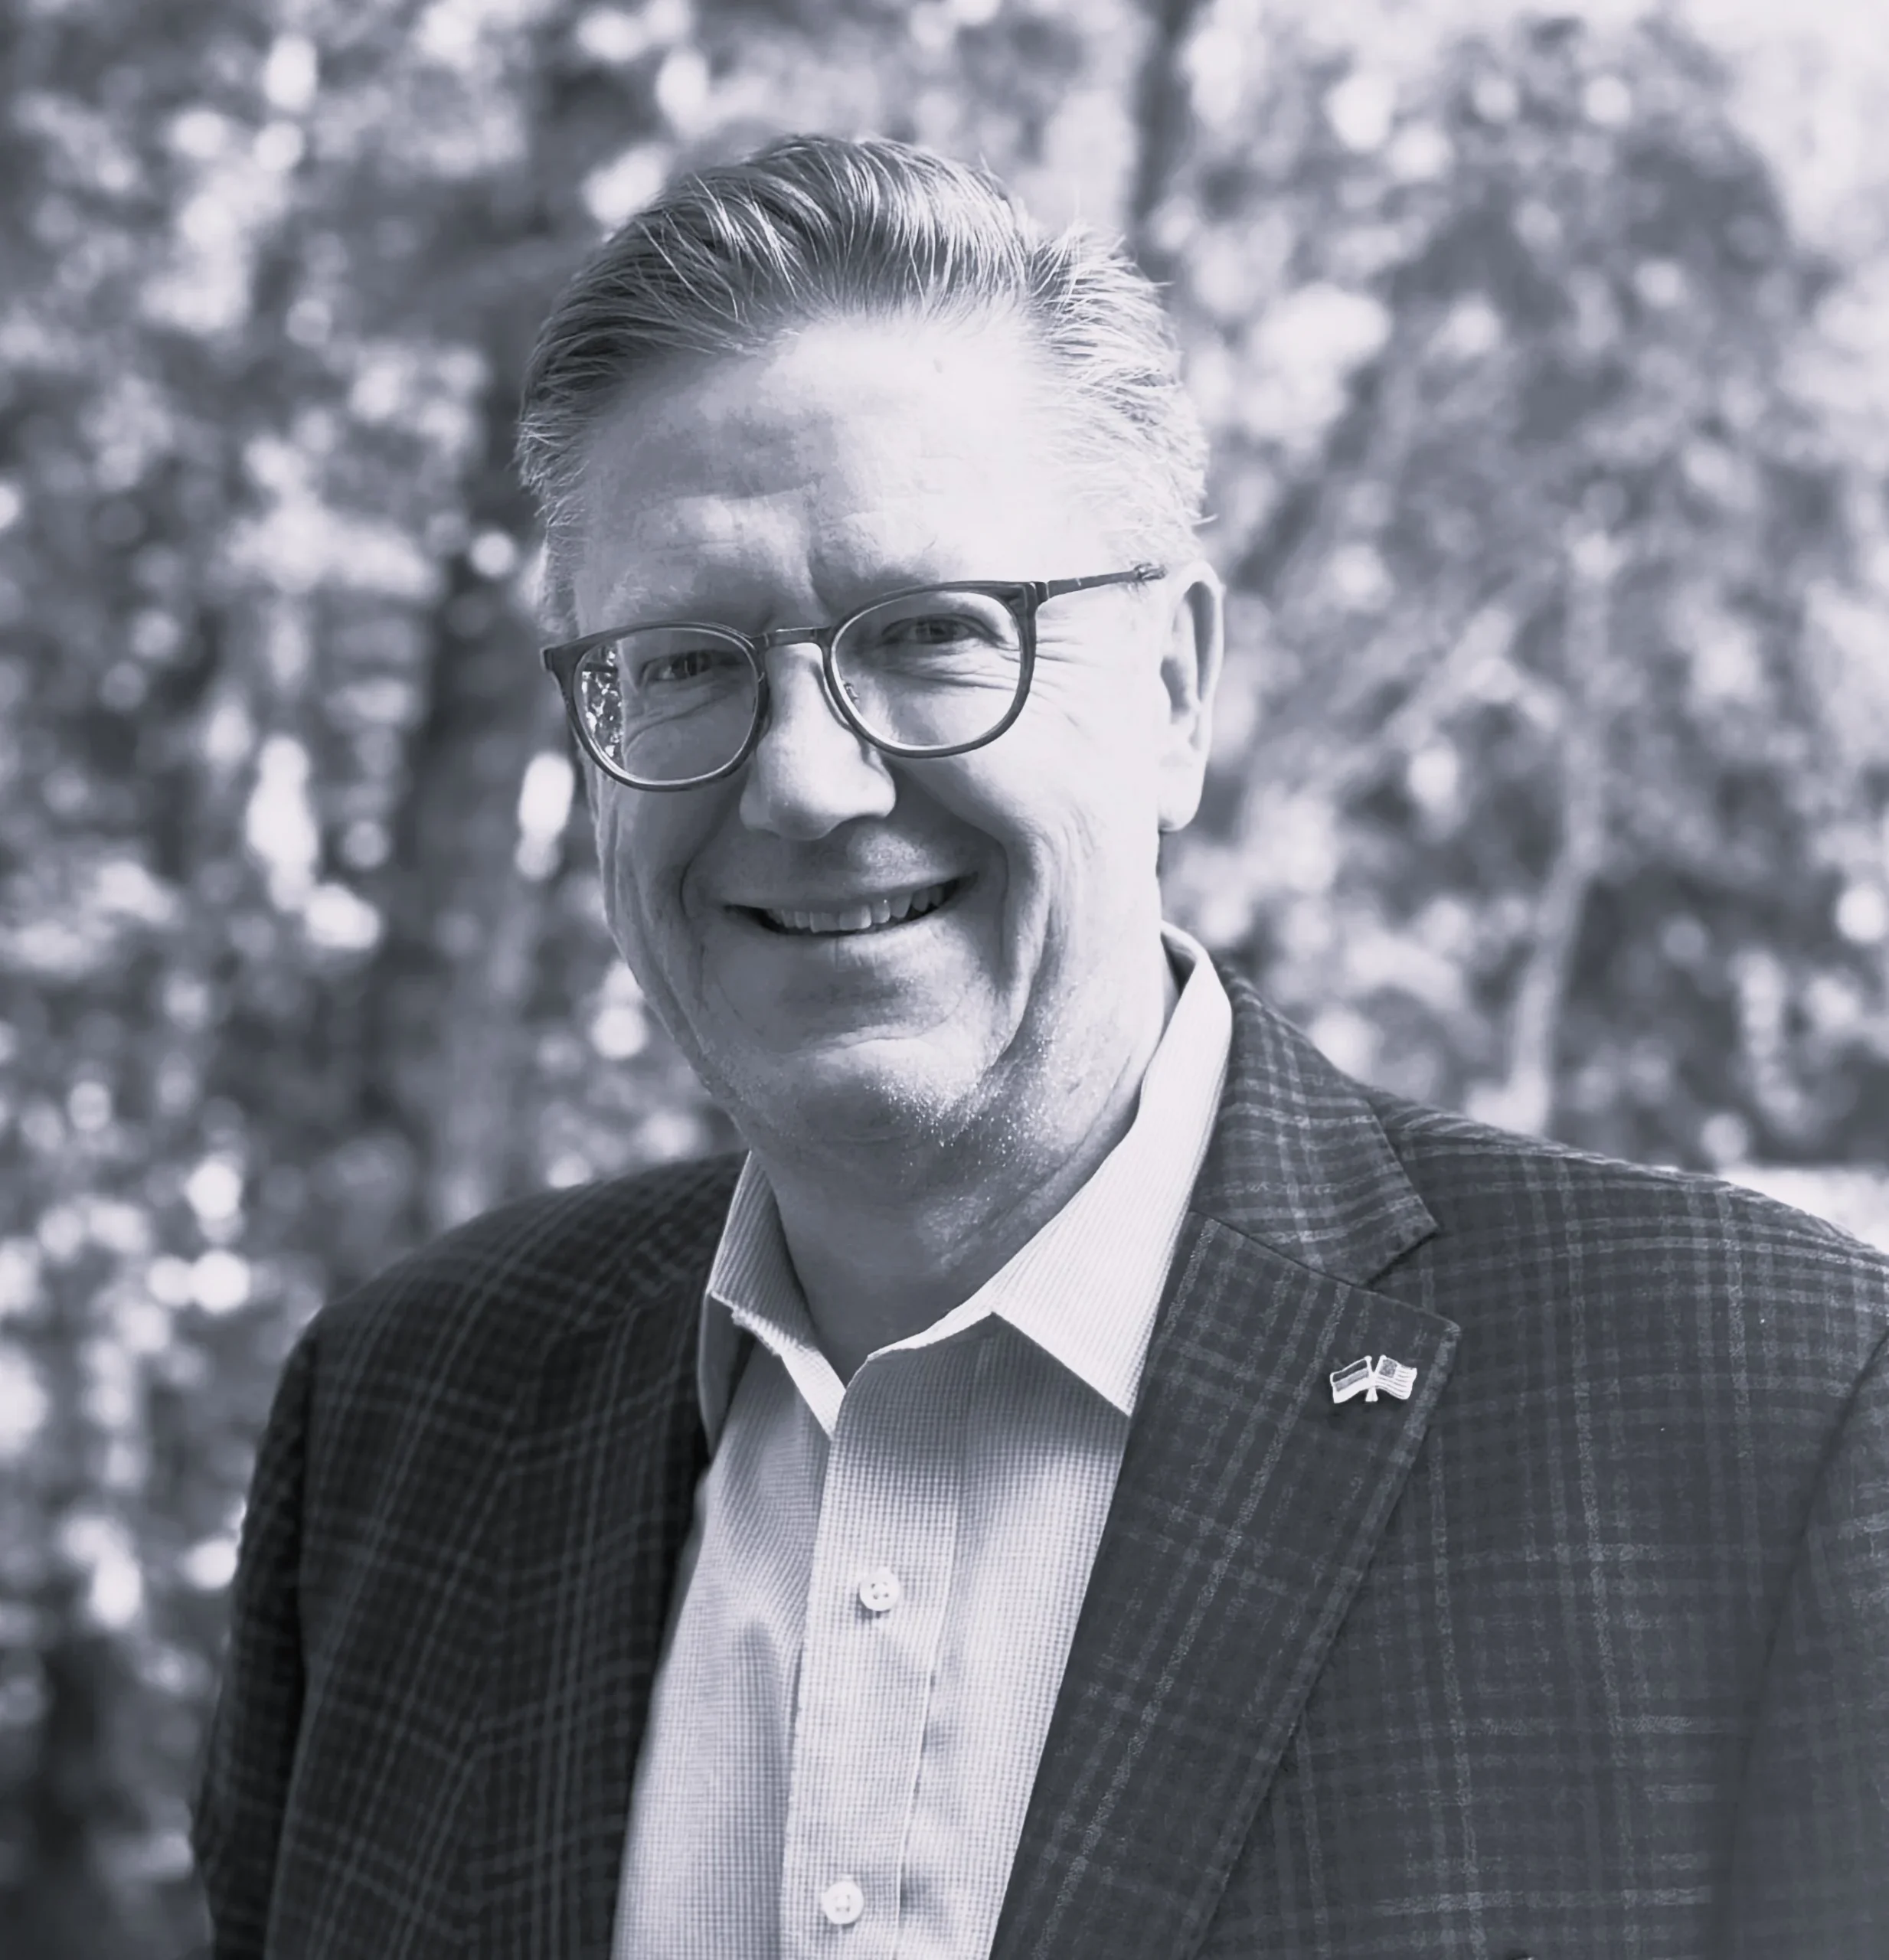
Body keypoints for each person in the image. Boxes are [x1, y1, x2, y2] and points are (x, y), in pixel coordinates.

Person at [191, 135, 1889, 1960]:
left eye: (933, 634)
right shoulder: (402, 1420)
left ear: (1174, 692)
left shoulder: (1767, 1411)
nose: (806, 781)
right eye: (681, 662)